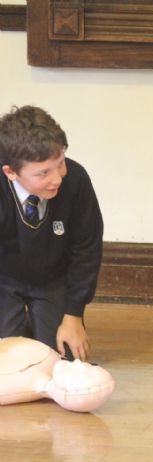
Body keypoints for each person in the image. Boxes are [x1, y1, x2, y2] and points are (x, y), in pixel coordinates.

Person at [0, 105, 103, 361]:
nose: (57, 178)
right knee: (8, 361)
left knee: (60, 359)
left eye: (60, 163)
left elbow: (87, 249)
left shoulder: (76, 179)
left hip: (52, 280)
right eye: (43, 173)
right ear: (10, 172)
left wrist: (73, 315)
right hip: (4, 278)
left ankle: (36, 324)